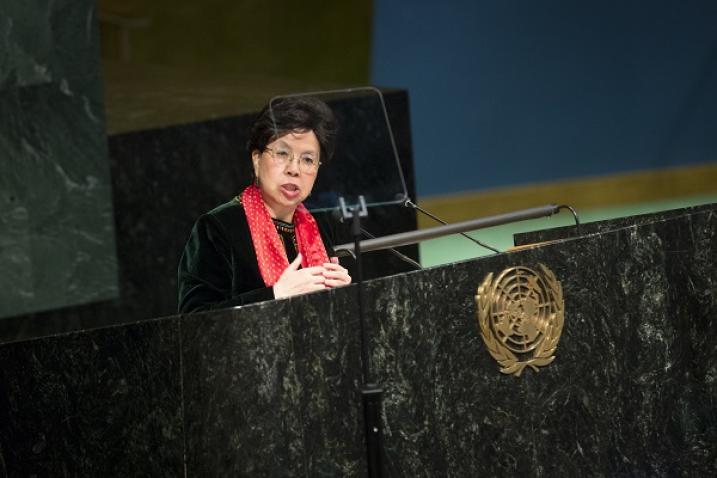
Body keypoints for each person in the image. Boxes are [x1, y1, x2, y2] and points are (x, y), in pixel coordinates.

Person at [177, 96, 352, 313]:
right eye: (282, 153)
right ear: (257, 160)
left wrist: (343, 296)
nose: (294, 169)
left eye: (307, 159)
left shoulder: (319, 226)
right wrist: (275, 295)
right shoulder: (218, 227)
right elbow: (194, 321)